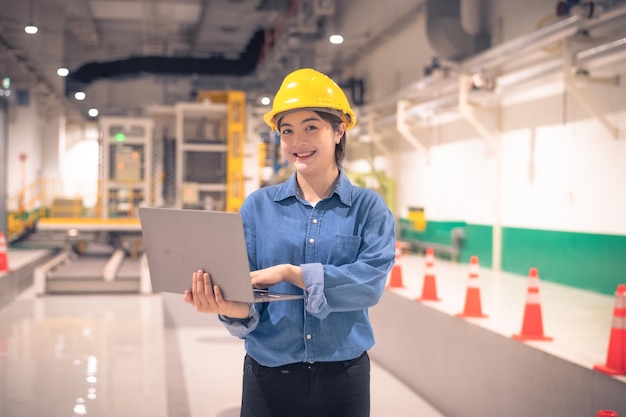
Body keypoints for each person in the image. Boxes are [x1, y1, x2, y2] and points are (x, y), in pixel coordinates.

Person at [183, 68, 396, 417]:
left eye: (311, 126)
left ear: (339, 129)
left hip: (343, 378)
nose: (298, 141)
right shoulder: (258, 207)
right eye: (287, 130)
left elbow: (368, 285)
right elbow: (248, 298)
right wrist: (223, 304)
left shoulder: (367, 208)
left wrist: (292, 273)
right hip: (268, 377)